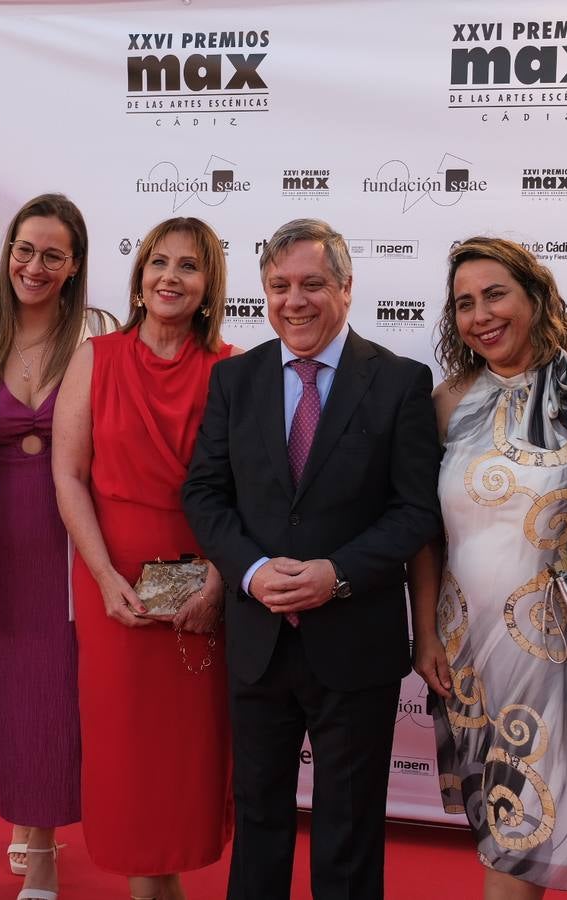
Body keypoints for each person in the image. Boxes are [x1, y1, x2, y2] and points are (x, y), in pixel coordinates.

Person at [182, 218, 441, 900]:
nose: (293, 301)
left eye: (312, 284)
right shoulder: (234, 380)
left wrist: (338, 574)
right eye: (278, 286)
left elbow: (415, 510)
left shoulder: (401, 383)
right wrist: (250, 570)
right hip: (257, 642)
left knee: (349, 827)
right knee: (259, 815)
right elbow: (205, 494)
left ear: (348, 289)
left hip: (355, 642)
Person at [410, 237, 567, 896]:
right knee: (503, 829)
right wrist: (423, 636)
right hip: (468, 649)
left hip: (563, 649)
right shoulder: (448, 402)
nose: (481, 315)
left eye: (495, 294)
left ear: (535, 296)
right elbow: (427, 537)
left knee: (540, 832)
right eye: (465, 303)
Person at [54, 216, 234, 900]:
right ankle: (147, 892)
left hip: (200, 583)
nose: (170, 277)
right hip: (112, 586)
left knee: (185, 755)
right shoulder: (96, 357)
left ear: (209, 285)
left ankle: (170, 886)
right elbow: (68, 475)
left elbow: (249, 495)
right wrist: (101, 578)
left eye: (188, 266)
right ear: (138, 276)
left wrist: (218, 582)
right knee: (126, 751)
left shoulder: (233, 369)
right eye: (159, 262)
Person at [0, 193, 111, 900]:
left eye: (52, 255)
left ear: (74, 267)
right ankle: (33, 835)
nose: (33, 266)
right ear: (6, 253)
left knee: (64, 697)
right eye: (23, 250)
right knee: (10, 697)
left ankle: (39, 838)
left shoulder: (102, 333)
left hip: (73, 539)